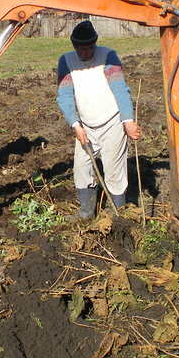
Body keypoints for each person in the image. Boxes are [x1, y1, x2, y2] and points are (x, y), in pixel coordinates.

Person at [56, 20, 141, 219]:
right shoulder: (66, 61)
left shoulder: (108, 56)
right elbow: (65, 95)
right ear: (74, 46)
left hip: (112, 122)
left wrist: (127, 121)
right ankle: (86, 213)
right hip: (85, 125)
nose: (86, 53)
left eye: (90, 48)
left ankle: (117, 216)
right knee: (81, 169)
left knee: (113, 170)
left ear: (95, 43)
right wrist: (76, 125)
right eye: (81, 49)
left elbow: (120, 89)